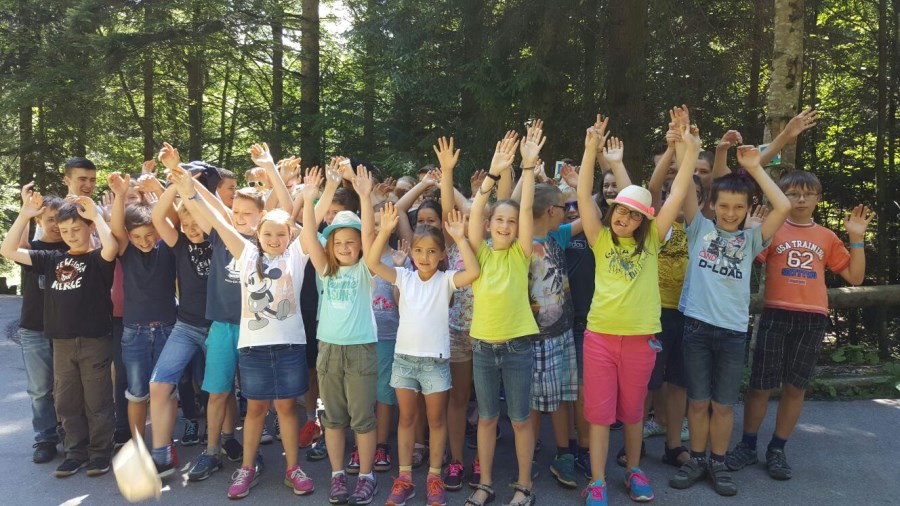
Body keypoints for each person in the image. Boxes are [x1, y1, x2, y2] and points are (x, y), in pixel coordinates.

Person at [171, 146, 315, 499]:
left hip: (289, 345)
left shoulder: (296, 256)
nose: (274, 240)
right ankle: (246, 467)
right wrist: (188, 188)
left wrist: (306, 193)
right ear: (258, 235)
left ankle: (293, 468)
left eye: (281, 234)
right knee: (255, 410)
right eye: (268, 235)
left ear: (289, 236)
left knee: (287, 408)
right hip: (253, 347)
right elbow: (219, 220)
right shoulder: (248, 253)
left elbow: (301, 221)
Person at [577, 111, 700, 505]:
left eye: (634, 214)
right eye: (621, 210)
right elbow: (582, 195)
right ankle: (598, 480)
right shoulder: (599, 238)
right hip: (600, 338)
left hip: (640, 340)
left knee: (632, 413)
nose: (625, 217)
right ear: (611, 209)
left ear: (644, 220)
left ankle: (633, 470)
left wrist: (689, 149)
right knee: (599, 415)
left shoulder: (652, 241)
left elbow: (676, 194)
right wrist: (590, 150)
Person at [669, 107, 792, 497]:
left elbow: (784, 207)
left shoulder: (753, 238)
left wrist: (755, 168)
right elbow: (683, 186)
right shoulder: (698, 228)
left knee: (723, 405)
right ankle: (698, 459)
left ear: (747, 210)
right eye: (723, 206)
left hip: (733, 333)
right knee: (697, 401)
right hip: (696, 327)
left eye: (739, 208)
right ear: (713, 204)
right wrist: (685, 143)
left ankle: (718, 463)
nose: (730, 213)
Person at [726, 170, 874, 480]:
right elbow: (743, 260)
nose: (801, 199)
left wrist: (857, 238)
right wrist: (751, 231)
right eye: (793, 194)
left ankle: (777, 449)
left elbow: (855, 277)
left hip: (812, 317)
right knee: (761, 384)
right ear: (781, 197)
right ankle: (747, 445)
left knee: (795, 386)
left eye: (808, 194)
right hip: (776, 314)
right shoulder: (773, 228)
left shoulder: (827, 237)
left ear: (818, 198)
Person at [364, 195, 480, 506]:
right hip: (404, 361)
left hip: (435, 363)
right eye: (418, 251)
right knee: (406, 419)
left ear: (442, 255)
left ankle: (434, 477)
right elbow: (372, 262)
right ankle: (404, 479)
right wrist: (384, 230)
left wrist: (460, 238)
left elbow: (473, 272)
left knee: (437, 420)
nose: (424, 257)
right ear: (411, 253)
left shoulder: (446, 281)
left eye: (431, 251)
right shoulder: (403, 276)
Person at [2, 192, 117, 478]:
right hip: (62, 344)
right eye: (65, 231)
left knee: (97, 401)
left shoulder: (97, 259)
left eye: (76, 229)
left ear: (89, 228)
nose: (70, 235)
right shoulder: (51, 259)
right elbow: (8, 250)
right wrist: (25, 215)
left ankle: (100, 452)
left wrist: (96, 216)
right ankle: (75, 452)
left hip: (93, 342)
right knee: (66, 402)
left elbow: (112, 246)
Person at [464, 123, 542, 506]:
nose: (506, 225)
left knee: (520, 419)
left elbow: (524, 208)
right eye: (499, 220)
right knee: (487, 419)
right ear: (489, 225)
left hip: (516, 347)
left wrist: (527, 167)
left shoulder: (520, 254)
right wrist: (492, 176)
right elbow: (476, 210)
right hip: (482, 346)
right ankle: (485, 484)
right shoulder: (478, 252)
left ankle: (524, 486)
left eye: (511, 222)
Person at [300, 164, 380, 506]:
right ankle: (337, 476)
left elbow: (371, 237)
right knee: (332, 419)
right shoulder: (325, 270)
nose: (346, 247)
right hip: (329, 350)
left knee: (362, 419)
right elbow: (308, 235)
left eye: (352, 241)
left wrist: (365, 196)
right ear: (330, 245)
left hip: (361, 350)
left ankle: (366, 476)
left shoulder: (366, 269)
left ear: (360, 245)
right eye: (339, 242)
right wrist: (310, 198)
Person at [146, 182, 214, 477]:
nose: (191, 229)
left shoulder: (220, 242)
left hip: (217, 327)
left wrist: (192, 192)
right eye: (186, 224)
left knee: (218, 390)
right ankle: (161, 454)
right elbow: (158, 217)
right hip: (186, 326)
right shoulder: (180, 243)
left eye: (196, 222)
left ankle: (222, 441)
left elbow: (219, 220)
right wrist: (173, 185)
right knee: (158, 384)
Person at [108, 172, 177, 443]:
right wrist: (120, 195)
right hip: (134, 332)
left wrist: (160, 190)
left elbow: (173, 220)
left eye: (149, 235)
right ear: (129, 236)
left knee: (166, 391)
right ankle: (137, 443)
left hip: (167, 330)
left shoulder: (167, 248)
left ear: (157, 232)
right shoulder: (126, 251)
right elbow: (116, 228)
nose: (144, 241)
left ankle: (164, 443)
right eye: (137, 236)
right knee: (136, 392)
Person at [13, 186, 67, 464]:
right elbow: (14, 248)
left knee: (68, 386)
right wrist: (24, 211)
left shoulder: (74, 247)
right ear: (39, 220)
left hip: (67, 329)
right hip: (34, 328)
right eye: (50, 219)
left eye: (60, 219)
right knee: (40, 389)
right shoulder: (33, 249)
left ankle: (69, 432)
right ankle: (45, 438)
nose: (56, 225)